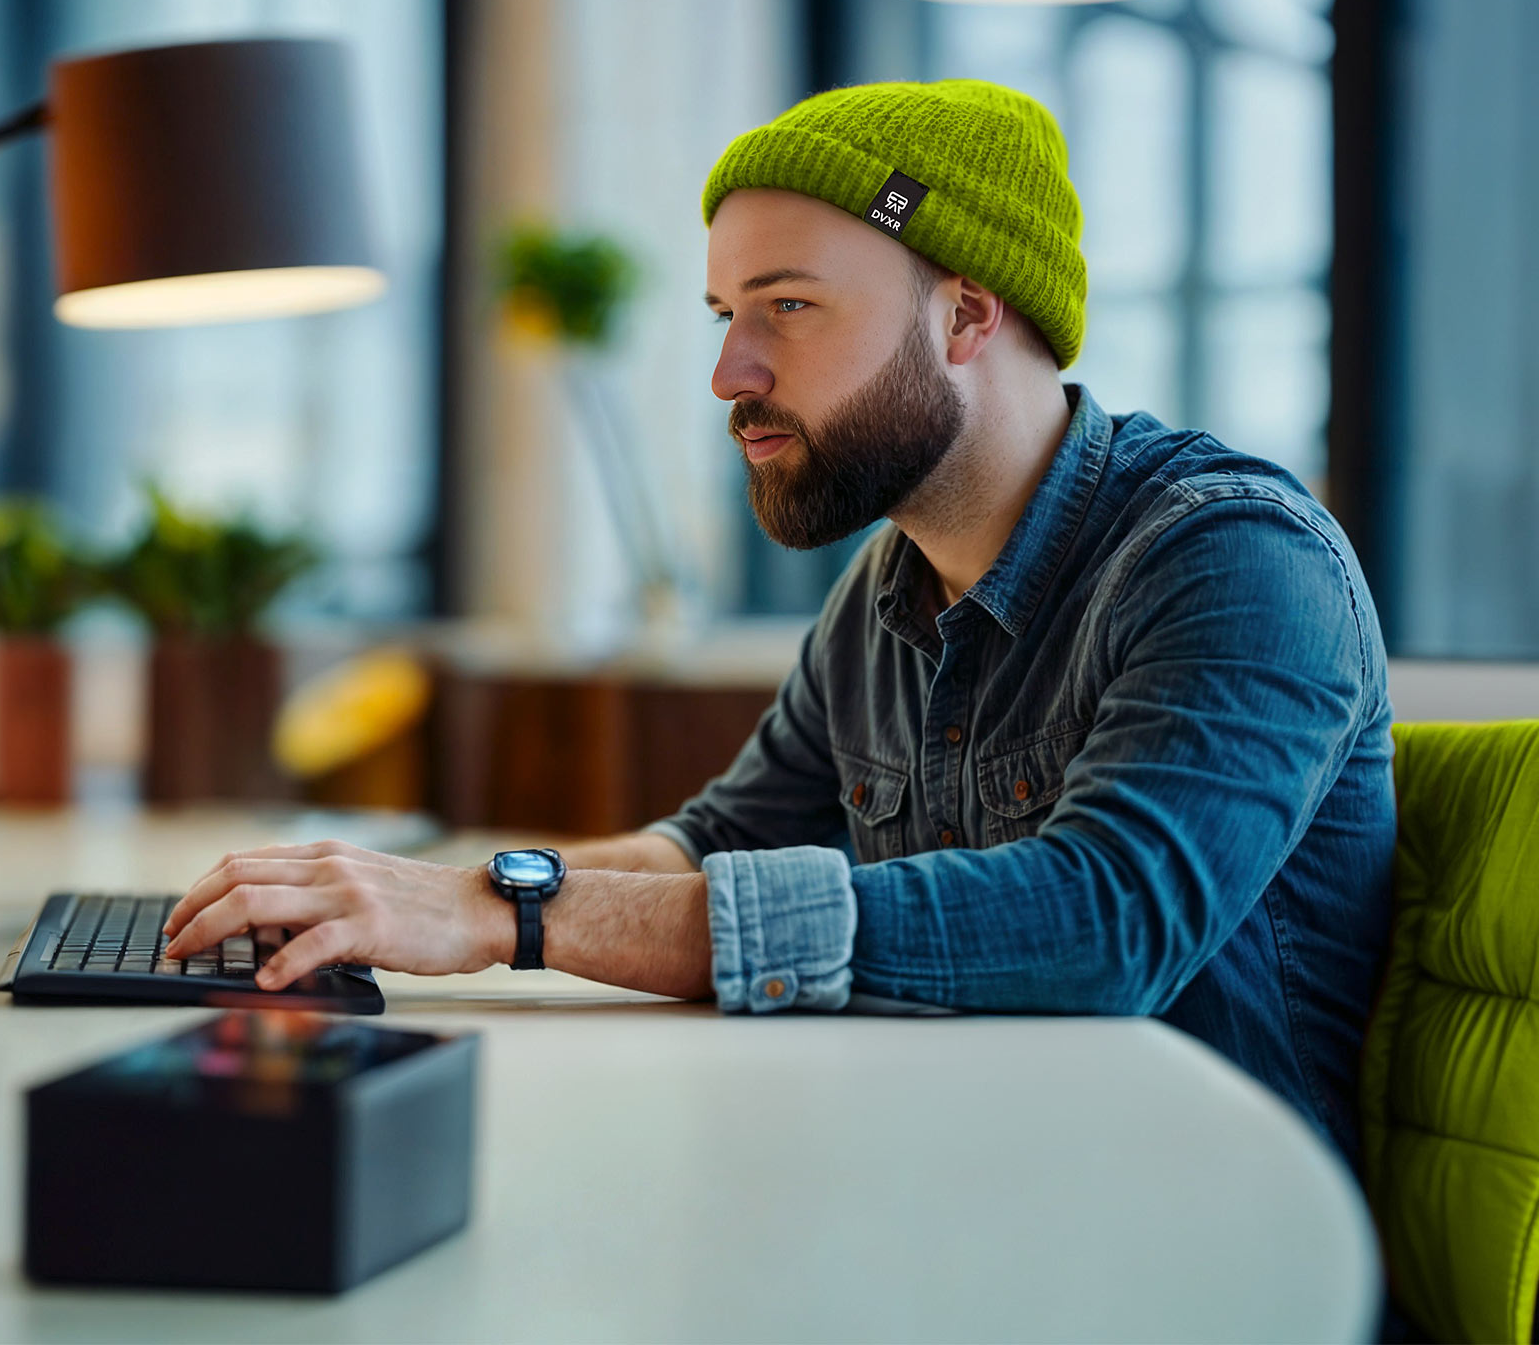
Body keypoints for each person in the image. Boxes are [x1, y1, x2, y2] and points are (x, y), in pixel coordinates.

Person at [163, 80, 1396, 1161]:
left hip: (1202, 1247)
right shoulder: (885, 589)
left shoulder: (1231, 558)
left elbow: (1102, 922)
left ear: (968, 316)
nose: (729, 374)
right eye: (722, 316)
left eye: (788, 308)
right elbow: (714, 844)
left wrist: (513, 913)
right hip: (948, 1192)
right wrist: (418, 898)